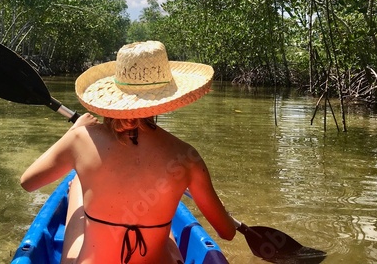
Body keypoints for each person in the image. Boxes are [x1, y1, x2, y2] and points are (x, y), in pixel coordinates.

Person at [20, 41, 237, 264]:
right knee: (165, 225)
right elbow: (227, 232)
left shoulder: (80, 139)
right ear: (167, 100)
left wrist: (74, 131)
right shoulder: (187, 156)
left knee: (76, 184)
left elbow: (28, 182)